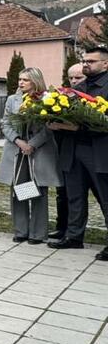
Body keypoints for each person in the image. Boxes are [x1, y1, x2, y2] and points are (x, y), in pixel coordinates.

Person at [49, 46, 108, 260]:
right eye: (85, 61)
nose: (86, 64)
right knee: (75, 195)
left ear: (105, 63)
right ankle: (74, 236)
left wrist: (78, 127)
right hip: (73, 150)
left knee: (105, 197)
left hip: (99, 150)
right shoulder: (78, 87)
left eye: (91, 61)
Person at [0, 68, 60, 244]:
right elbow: (6, 123)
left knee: (38, 190)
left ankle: (38, 233)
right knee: (19, 190)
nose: (21, 83)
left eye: (25, 80)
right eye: (20, 79)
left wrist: (32, 144)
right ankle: (21, 230)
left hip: (38, 152)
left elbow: (49, 127)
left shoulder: (48, 99)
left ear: (35, 81)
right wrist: (19, 141)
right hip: (17, 151)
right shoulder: (12, 99)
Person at [50, 63, 90, 239]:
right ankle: (67, 230)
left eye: (78, 77)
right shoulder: (63, 97)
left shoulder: (95, 96)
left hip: (93, 153)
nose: (74, 81)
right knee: (67, 194)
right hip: (67, 151)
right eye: (71, 78)